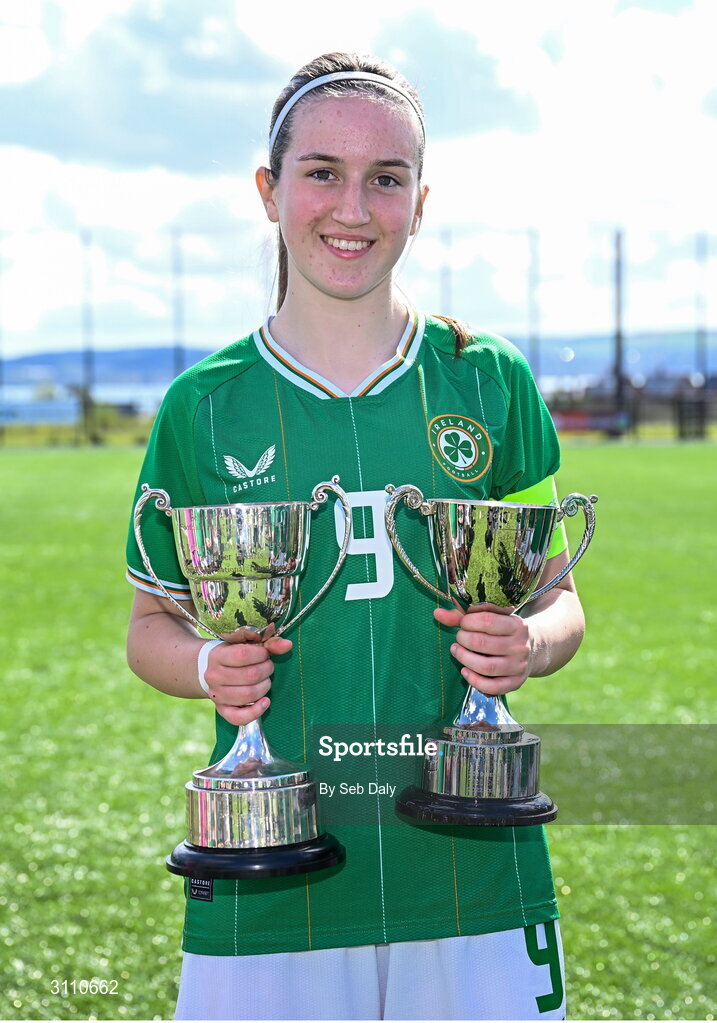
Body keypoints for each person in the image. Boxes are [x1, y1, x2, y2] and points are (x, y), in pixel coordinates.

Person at [125, 51, 585, 1021]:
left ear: (419, 203)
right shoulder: (203, 407)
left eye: (387, 179)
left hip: (473, 871)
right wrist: (211, 666)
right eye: (322, 172)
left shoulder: (487, 381)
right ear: (270, 190)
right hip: (270, 870)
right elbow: (149, 629)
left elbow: (560, 599)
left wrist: (530, 642)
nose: (353, 207)